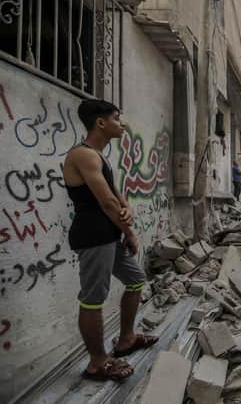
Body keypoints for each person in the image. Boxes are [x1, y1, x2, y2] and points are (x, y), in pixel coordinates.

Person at [63, 100, 157, 381]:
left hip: (108, 234)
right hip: (93, 236)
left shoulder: (99, 156)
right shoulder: (83, 155)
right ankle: (97, 361)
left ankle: (126, 338)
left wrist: (126, 207)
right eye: (117, 118)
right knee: (93, 299)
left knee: (136, 279)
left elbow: (115, 194)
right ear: (101, 123)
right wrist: (128, 231)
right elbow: (105, 203)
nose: (122, 123)